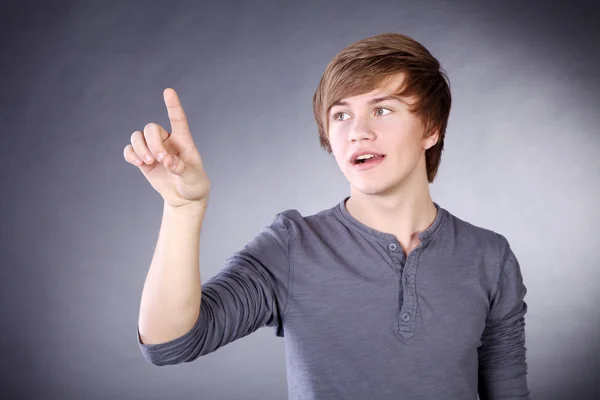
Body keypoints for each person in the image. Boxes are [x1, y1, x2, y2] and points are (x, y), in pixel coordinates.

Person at [123, 32, 530, 400]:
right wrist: (183, 209)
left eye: (383, 110)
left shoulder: (489, 256)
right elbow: (168, 344)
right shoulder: (292, 246)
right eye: (341, 115)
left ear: (431, 129)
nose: (358, 131)